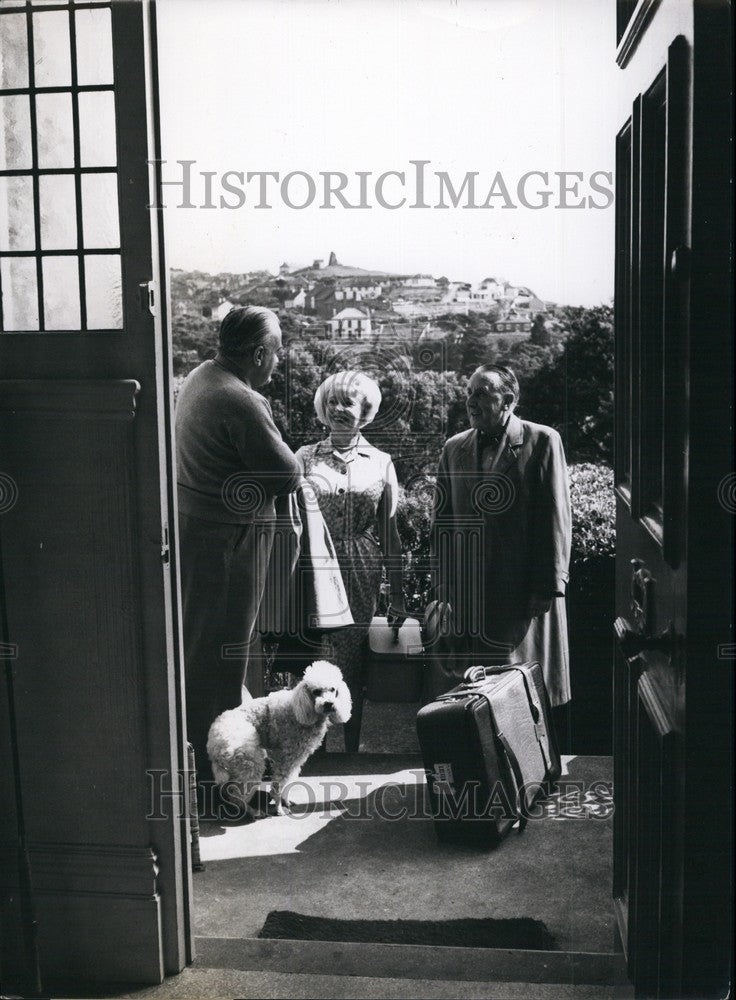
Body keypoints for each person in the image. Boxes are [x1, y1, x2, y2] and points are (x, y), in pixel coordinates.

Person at [175, 306, 301, 786]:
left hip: (199, 536)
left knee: (201, 651)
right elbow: (287, 475)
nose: (279, 360)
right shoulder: (241, 399)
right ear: (258, 353)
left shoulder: (201, 377)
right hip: (230, 544)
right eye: (277, 351)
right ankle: (221, 782)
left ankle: (202, 768)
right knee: (225, 661)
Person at [431, 364, 572, 745]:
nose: (470, 402)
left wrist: (549, 586)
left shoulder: (543, 440)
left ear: (508, 400)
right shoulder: (454, 447)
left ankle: (530, 771)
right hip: (469, 599)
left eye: (481, 393)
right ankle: (485, 771)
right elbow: (441, 524)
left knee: (523, 694)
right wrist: (441, 588)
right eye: (468, 393)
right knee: (477, 695)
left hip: (523, 594)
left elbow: (556, 518)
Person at [295, 371, 406, 752]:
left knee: (353, 660)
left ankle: (351, 753)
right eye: (332, 401)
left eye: (348, 402)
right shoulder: (304, 456)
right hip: (312, 567)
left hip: (360, 569)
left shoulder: (382, 461)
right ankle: (311, 752)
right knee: (311, 660)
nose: (338, 409)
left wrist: (398, 597)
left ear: (365, 410)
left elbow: (390, 534)